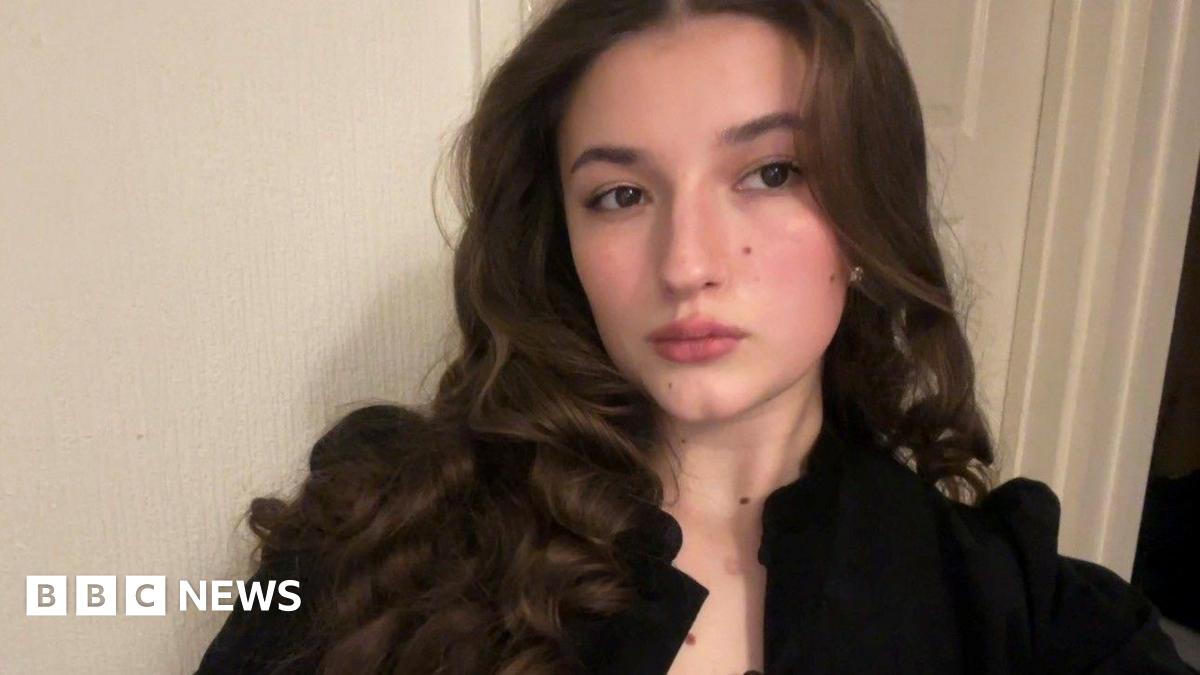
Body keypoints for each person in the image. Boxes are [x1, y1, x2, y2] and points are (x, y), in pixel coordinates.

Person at [195, 0, 1198, 673]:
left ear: (865, 212)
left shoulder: (1013, 606)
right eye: (621, 194)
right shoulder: (380, 538)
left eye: (769, 173)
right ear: (563, 237)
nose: (688, 262)